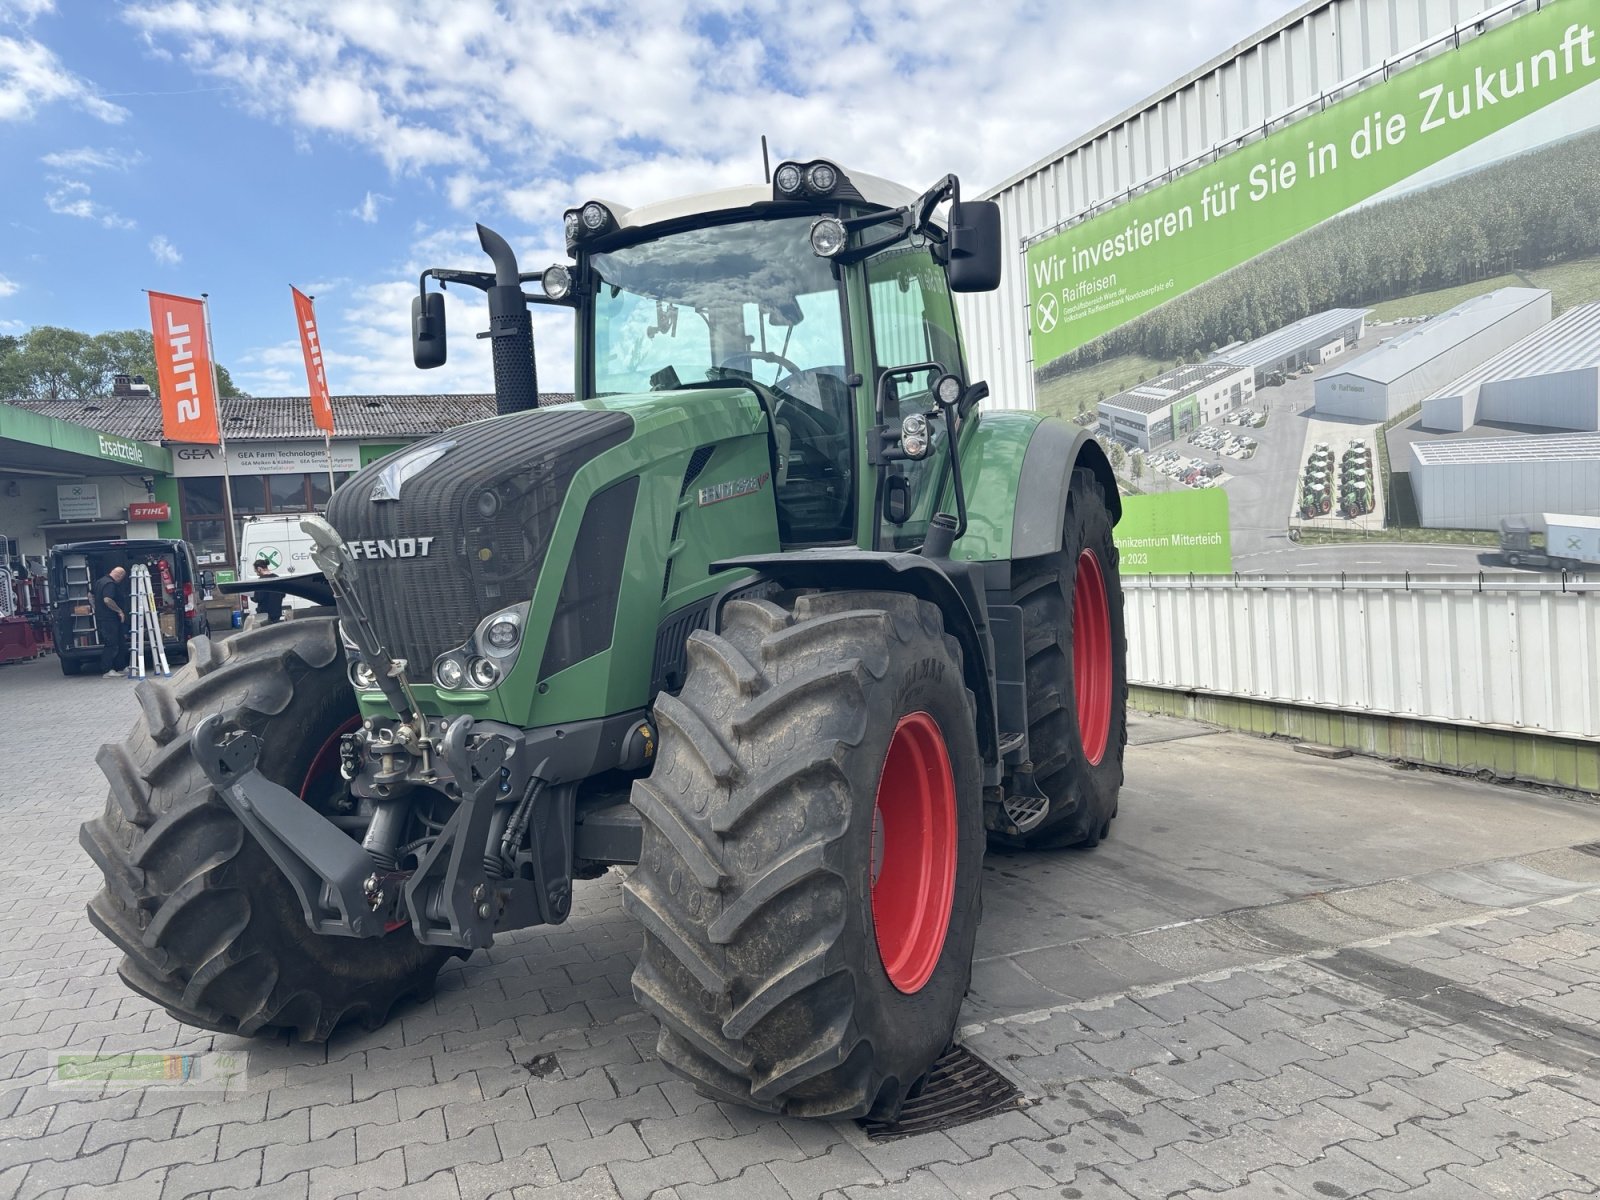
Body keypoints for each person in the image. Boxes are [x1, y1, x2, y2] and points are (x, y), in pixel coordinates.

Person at [94, 565, 129, 677]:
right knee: (112, 644)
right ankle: (107, 669)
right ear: (119, 576)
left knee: (119, 642)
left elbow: (90, 595)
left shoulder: (100, 581)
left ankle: (120, 667)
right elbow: (107, 599)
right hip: (109, 619)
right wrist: (119, 611)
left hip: (104, 617)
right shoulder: (110, 584)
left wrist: (96, 607)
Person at [252, 558, 285, 624]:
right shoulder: (277, 578)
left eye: (256, 571)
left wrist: (252, 596)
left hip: (264, 614)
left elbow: (258, 598)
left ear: (259, 569)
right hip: (276, 612)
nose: (256, 573)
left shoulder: (261, 581)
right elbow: (283, 594)